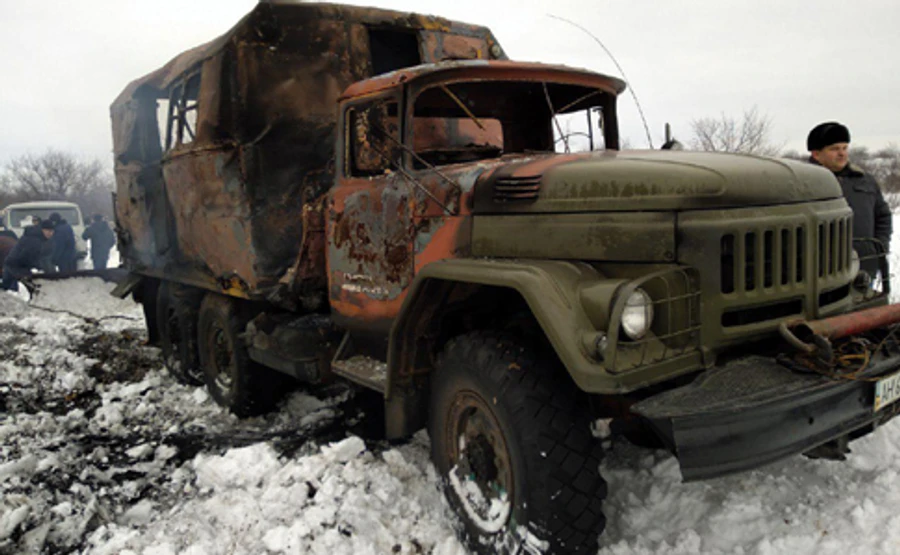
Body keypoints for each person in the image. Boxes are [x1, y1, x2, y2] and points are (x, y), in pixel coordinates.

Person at [807, 122, 892, 283]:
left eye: (845, 148)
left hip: (863, 269)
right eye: (834, 149)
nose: (842, 154)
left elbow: (883, 216)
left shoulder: (865, 180)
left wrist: (878, 248)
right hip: (818, 274)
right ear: (816, 154)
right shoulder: (802, 183)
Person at [2, 220, 55, 290]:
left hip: (12, 264)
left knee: (7, 288)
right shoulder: (35, 240)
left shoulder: (35, 236)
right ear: (42, 229)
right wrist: (38, 266)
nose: (50, 233)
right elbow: (26, 257)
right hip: (16, 266)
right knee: (26, 288)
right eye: (48, 231)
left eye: (52, 231)